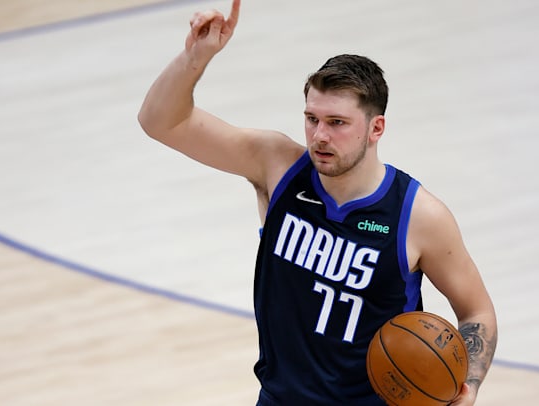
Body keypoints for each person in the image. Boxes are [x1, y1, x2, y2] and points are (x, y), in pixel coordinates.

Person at [137, 0, 497, 404]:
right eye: (312, 119)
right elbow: (161, 122)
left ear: (376, 128)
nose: (320, 135)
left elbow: (477, 312)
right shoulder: (277, 166)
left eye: (337, 123)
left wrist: (469, 386)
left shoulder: (419, 217)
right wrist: (196, 57)